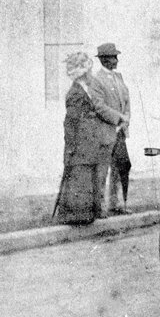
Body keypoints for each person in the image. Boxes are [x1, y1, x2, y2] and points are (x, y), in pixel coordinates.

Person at [54, 52, 122, 225]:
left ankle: (87, 214)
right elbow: (70, 122)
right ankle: (77, 215)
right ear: (82, 72)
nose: (90, 72)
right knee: (80, 175)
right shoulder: (75, 92)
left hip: (89, 138)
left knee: (89, 174)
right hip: (80, 140)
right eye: (87, 69)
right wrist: (70, 146)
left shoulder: (86, 88)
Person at [93, 43, 132, 215]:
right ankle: (99, 207)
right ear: (103, 60)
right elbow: (98, 106)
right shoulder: (96, 80)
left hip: (120, 132)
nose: (116, 60)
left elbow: (126, 100)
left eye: (116, 57)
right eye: (112, 57)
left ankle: (117, 204)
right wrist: (118, 118)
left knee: (122, 166)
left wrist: (126, 118)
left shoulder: (119, 77)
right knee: (102, 170)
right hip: (104, 132)